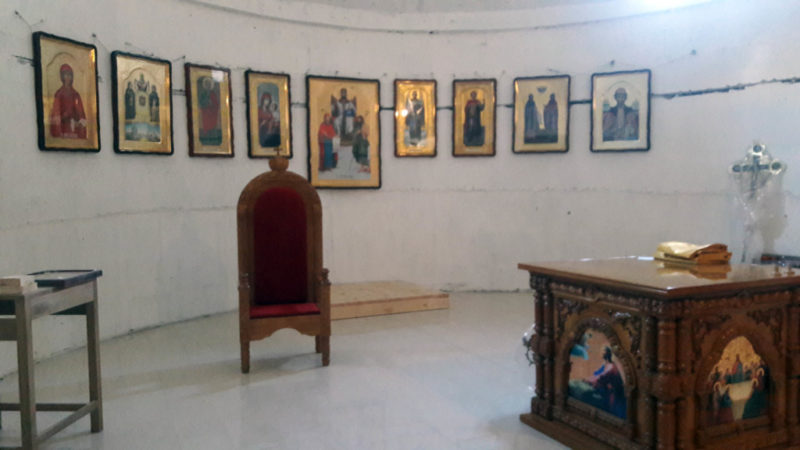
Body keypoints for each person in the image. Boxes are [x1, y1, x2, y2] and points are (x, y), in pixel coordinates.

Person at [49, 63, 87, 139]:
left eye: (69, 75)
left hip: (74, 128)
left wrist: (79, 120)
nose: (68, 77)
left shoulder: (75, 94)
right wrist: (64, 116)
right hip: (63, 128)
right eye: (65, 75)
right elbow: (56, 113)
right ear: (62, 76)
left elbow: (81, 113)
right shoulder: (59, 94)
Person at [198, 77, 221, 145]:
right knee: (206, 125)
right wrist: (206, 103)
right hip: (205, 112)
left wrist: (211, 103)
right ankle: (206, 138)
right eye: (207, 84)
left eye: (209, 84)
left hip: (212, 113)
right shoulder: (203, 94)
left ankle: (213, 138)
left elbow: (216, 104)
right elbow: (201, 102)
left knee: (213, 127)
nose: (208, 86)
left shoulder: (213, 93)